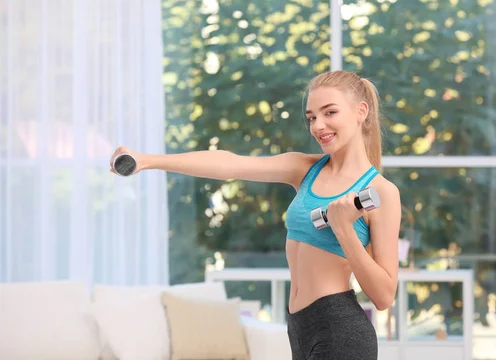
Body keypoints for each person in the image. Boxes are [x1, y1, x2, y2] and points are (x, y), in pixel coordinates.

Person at [109, 70, 402, 360]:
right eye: (312, 117)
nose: (318, 125)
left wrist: (345, 230)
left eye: (330, 112)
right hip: (300, 328)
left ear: (361, 111)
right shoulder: (305, 170)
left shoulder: (381, 192)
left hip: (340, 331)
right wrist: (147, 161)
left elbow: (383, 296)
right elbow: (230, 165)